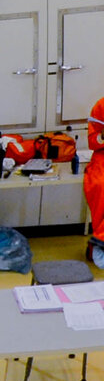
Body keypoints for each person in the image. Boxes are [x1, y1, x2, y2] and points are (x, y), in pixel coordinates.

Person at [85, 97, 104, 264]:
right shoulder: (101, 106)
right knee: (99, 185)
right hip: (102, 156)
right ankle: (100, 241)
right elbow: (92, 141)